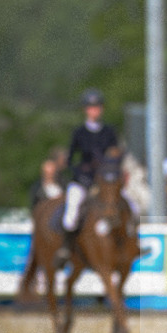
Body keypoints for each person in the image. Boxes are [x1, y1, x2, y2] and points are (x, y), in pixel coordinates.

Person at [55, 89, 119, 267]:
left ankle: (130, 243)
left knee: (128, 204)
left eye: (97, 107)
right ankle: (66, 248)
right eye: (91, 108)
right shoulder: (79, 133)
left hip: (105, 181)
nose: (94, 111)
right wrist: (80, 173)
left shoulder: (109, 132)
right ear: (86, 110)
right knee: (72, 211)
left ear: (101, 109)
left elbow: (115, 154)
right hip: (83, 180)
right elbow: (70, 160)